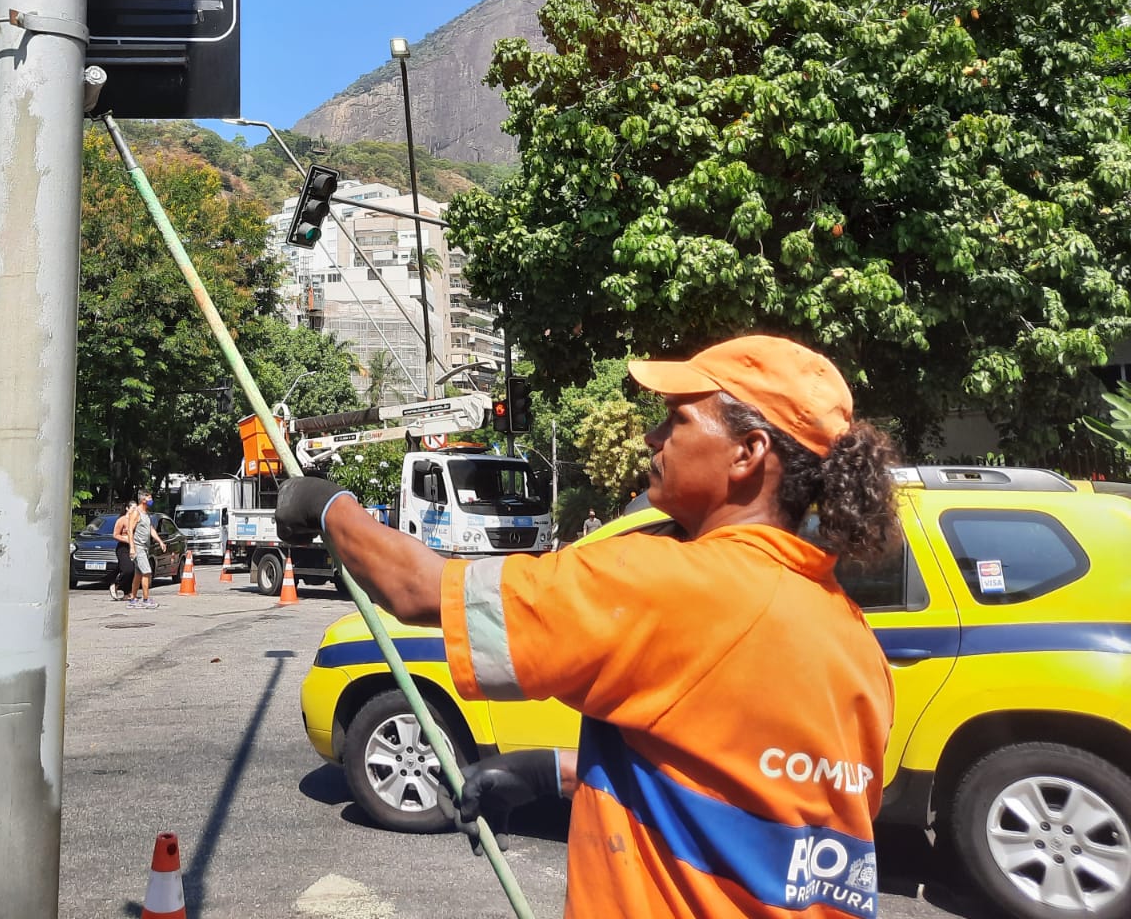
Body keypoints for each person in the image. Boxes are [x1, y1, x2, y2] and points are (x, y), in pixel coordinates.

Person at [275, 335, 901, 919]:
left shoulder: (672, 583)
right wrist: (554, 773)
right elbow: (742, 786)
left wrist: (329, 506)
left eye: (678, 419)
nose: (654, 436)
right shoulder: (850, 638)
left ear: (748, 452)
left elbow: (417, 590)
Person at [128, 491, 166, 609]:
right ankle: (145, 599)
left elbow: (151, 529)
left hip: (145, 548)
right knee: (147, 572)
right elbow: (129, 530)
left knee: (138, 574)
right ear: (143, 500)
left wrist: (160, 541)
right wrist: (132, 548)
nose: (151, 500)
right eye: (149, 497)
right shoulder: (136, 513)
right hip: (138, 547)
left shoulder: (146, 514)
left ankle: (133, 599)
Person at [110, 497, 137, 601]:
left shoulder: (136, 520)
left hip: (134, 547)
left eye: (136, 508)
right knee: (128, 569)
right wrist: (126, 539)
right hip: (123, 547)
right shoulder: (122, 520)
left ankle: (128, 592)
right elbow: (115, 535)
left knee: (135, 570)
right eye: (133, 508)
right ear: (127, 508)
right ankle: (116, 584)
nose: (135, 510)